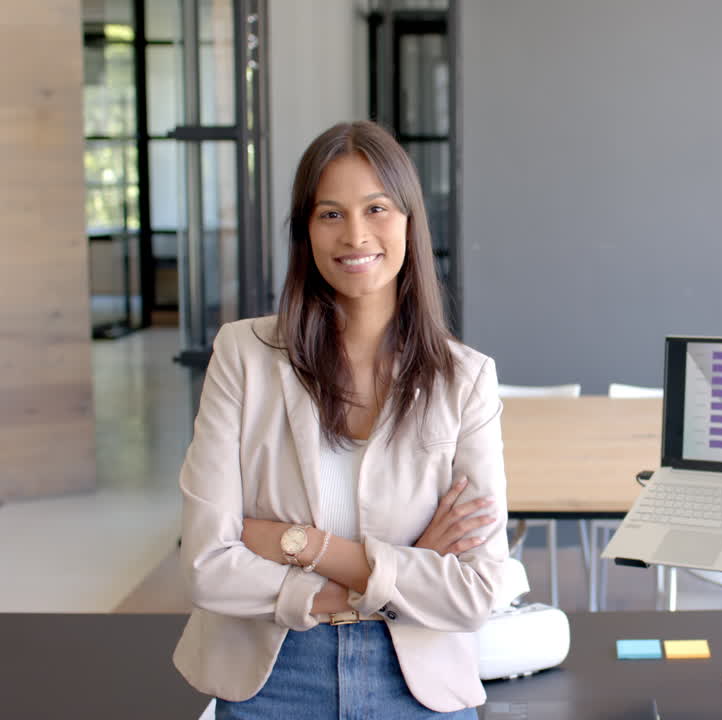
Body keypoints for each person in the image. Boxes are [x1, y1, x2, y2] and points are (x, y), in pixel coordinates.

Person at [173, 120, 507, 719]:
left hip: (415, 684)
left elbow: (478, 591)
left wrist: (297, 543)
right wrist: (400, 569)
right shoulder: (243, 355)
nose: (356, 235)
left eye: (376, 208)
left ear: (408, 221)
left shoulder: (465, 379)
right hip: (274, 677)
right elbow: (207, 566)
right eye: (331, 214)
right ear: (305, 231)